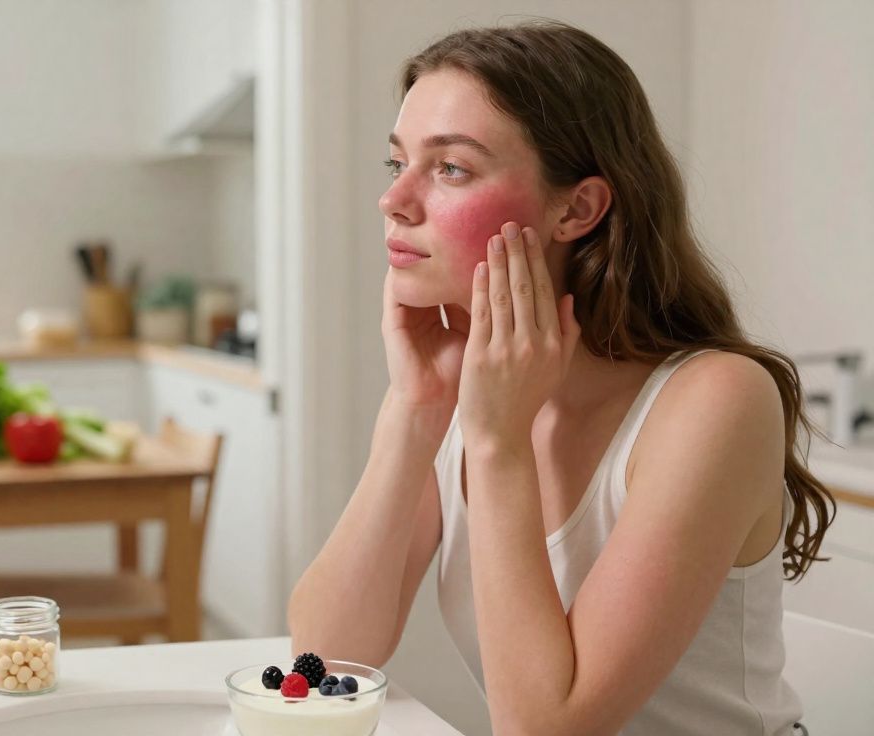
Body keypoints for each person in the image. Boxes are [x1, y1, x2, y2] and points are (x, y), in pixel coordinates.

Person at [288, 20, 832, 735]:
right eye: (398, 165)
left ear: (576, 209)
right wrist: (413, 408)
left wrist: (498, 443)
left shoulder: (715, 402)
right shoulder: (463, 396)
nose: (396, 200)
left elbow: (548, 728)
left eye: (450, 168)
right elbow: (322, 661)